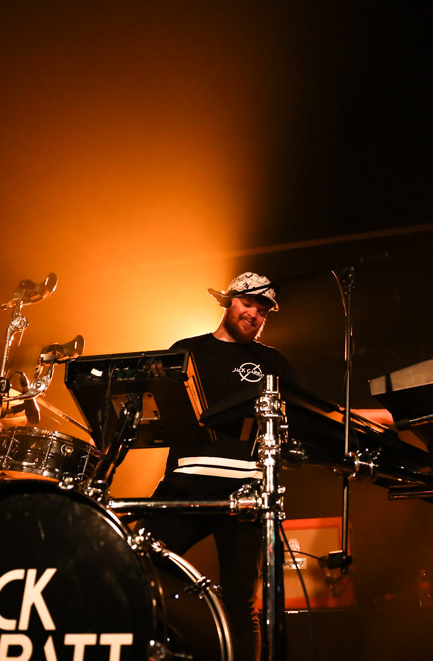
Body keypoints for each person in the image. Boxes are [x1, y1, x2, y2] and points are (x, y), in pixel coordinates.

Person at [140, 271, 307, 661]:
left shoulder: (272, 360)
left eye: (263, 311)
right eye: (249, 304)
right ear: (228, 301)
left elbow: (311, 412)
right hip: (186, 485)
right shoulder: (186, 348)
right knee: (140, 565)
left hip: (245, 493)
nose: (255, 315)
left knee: (240, 601)